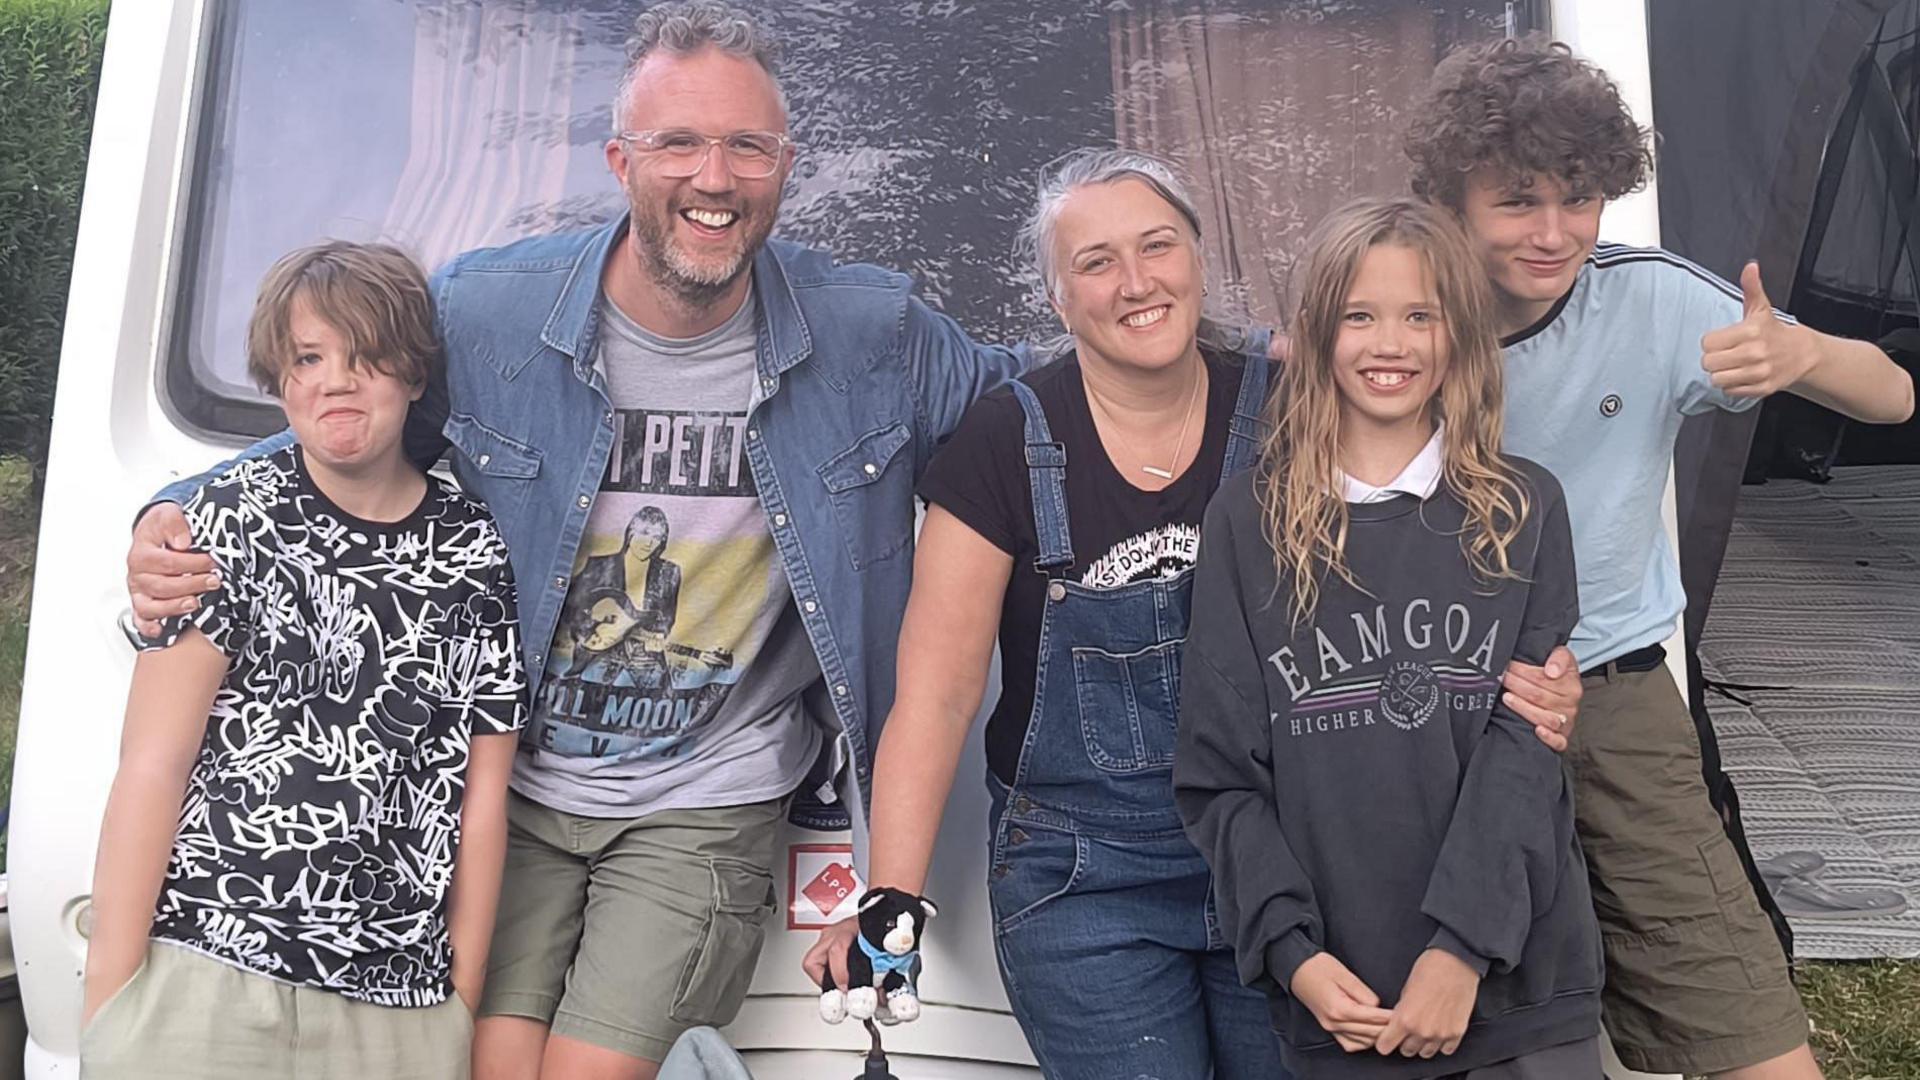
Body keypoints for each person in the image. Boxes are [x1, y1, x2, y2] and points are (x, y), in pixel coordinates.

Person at [123, 4, 1027, 1076]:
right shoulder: (487, 312)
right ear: (619, 160)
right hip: (512, 789)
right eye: (678, 143)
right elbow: (335, 431)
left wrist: (1253, 382)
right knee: (488, 1064)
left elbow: (1047, 413)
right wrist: (170, 513)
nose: (715, 177)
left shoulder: (873, 333)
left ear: (785, 164)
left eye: (748, 146)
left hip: (707, 799)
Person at [799, 150, 1583, 1079]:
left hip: (1295, 875)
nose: (1136, 282)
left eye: (1158, 246)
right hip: (1090, 881)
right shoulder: (1001, 445)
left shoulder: (1299, 402)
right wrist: (892, 894)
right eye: (1095, 262)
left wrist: (1536, 684)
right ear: (1057, 298)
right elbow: (935, 693)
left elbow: (1437, 542)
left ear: (1199, 261)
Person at [1402, 36, 1917, 1080]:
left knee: (1741, 1022)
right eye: (1519, 201)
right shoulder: (1387, 317)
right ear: (1449, 199)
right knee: (1434, 1010)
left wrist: (1805, 355)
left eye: (1580, 199)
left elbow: (1895, 396)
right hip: (1429, 705)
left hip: (1612, 700)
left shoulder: (1652, 300)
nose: (1556, 233)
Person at [1176, 197, 1603, 1080]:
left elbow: (1526, 745)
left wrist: (1461, 951)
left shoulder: (1522, 510)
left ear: (1460, 337)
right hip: (1343, 999)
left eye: (1421, 316)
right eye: (1359, 317)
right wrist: (1294, 957)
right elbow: (1220, 781)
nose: (1390, 344)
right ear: (1316, 332)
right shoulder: (1247, 522)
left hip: (1517, 986)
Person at [81, 242, 526, 1079]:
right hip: (203, 976)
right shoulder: (218, 523)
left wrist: (458, 1004)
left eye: (367, 357)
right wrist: (113, 993)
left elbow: (482, 795)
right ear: (278, 376)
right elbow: (152, 764)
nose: (336, 381)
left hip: (398, 1007)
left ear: (416, 376)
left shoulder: (476, 552)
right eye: (309, 358)